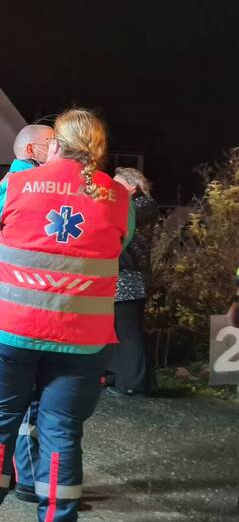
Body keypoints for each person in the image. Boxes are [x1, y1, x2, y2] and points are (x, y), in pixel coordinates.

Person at [0, 108, 134, 522]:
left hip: (10, 332)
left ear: (54, 146)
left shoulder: (18, 183)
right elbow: (120, 245)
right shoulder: (116, 196)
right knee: (62, 433)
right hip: (81, 341)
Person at [0, 124, 54, 503]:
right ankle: (22, 478)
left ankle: (16, 483)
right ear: (31, 149)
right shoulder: (20, 180)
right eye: (50, 141)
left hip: (21, 312)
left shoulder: (38, 180)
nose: (55, 145)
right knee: (22, 407)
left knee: (20, 408)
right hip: (28, 311)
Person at [104, 167, 158, 397]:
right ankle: (123, 376)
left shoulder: (141, 206)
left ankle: (134, 383)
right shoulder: (133, 206)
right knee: (120, 329)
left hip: (130, 277)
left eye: (117, 184)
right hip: (122, 276)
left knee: (128, 331)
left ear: (132, 186)